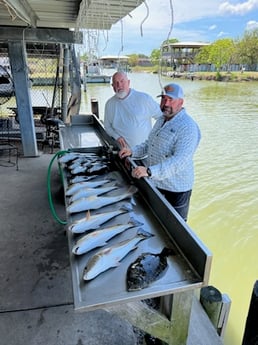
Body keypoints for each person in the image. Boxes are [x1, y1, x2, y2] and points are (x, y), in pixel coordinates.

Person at [119, 83, 201, 222]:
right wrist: (131, 151)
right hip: (156, 182)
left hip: (176, 188)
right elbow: (149, 145)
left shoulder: (188, 127)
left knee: (176, 226)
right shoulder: (161, 119)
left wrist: (150, 171)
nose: (165, 103)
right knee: (156, 221)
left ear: (181, 102)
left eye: (170, 99)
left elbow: (179, 161)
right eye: (163, 99)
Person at [104, 71, 162, 148]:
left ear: (128, 82)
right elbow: (107, 127)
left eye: (122, 81)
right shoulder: (109, 103)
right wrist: (116, 137)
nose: (119, 85)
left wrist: (156, 135)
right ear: (112, 86)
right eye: (116, 82)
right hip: (123, 154)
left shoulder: (144, 99)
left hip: (145, 153)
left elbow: (162, 117)